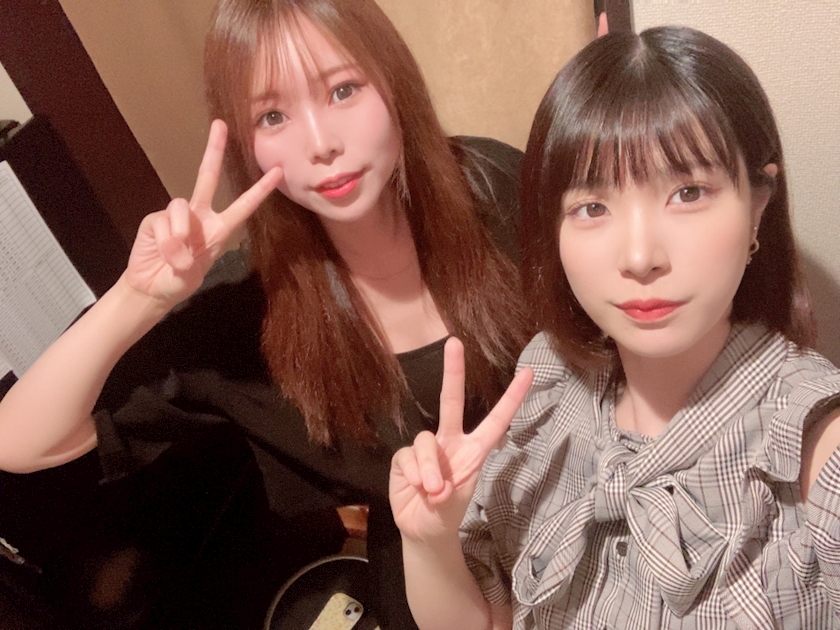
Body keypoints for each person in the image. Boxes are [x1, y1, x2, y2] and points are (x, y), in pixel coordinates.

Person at [0, 0, 532, 627]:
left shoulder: (492, 186)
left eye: (342, 90)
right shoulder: (246, 308)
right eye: (273, 115)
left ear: (393, 81)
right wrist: (136, 298)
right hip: (428, 561)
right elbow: (19, 442)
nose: (321, 144)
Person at [390, 26, 840, 629]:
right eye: (593, 207)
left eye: (688, 192)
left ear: (758, 203)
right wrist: (430, 543)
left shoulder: (814, 449)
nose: (639, 256)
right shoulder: (547, 384)